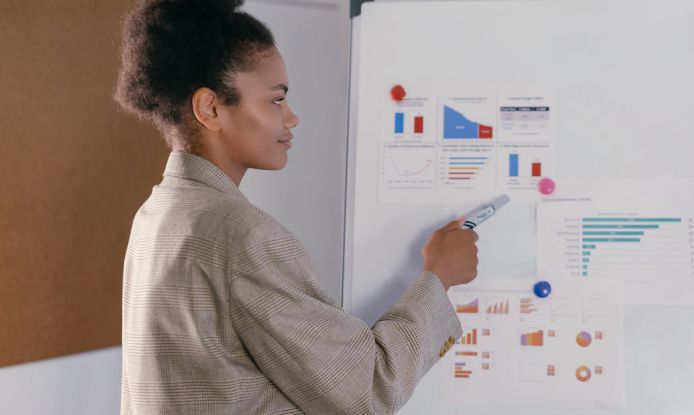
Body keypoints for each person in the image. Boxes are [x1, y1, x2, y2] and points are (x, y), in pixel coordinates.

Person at [114, 0, 479, 413]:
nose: (292, 118)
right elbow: (369, 389)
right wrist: (438, 278)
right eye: (275, 101)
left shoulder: (155, 214)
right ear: (210, 108)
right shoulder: (242, 235)